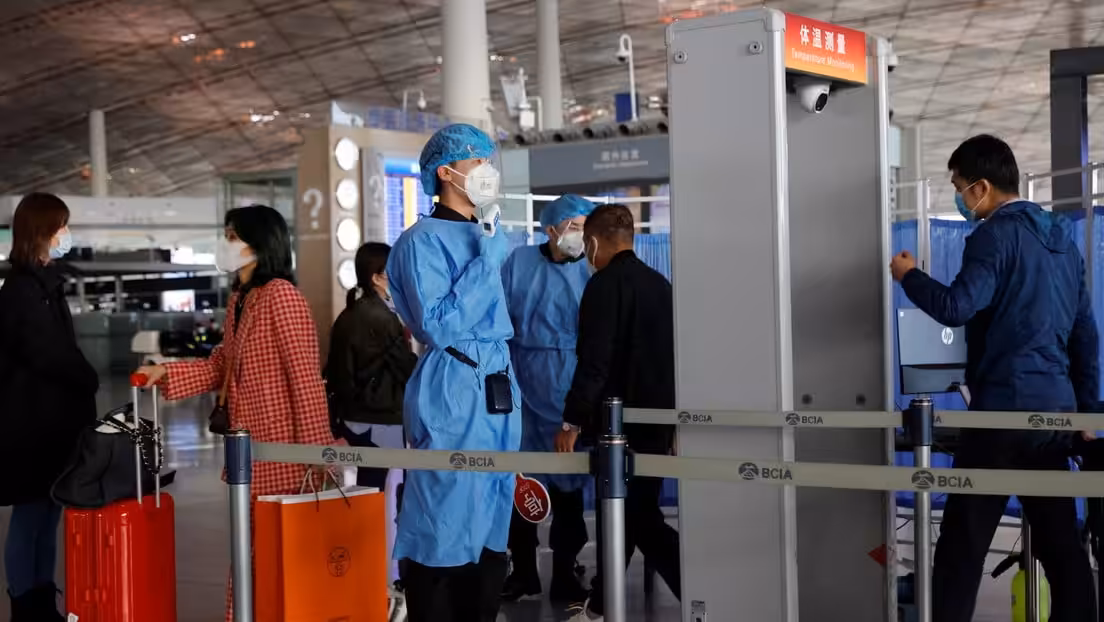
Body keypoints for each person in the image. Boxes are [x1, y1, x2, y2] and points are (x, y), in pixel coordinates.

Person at [890, 134, 1098, 622]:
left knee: (961, 547)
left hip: (1003, 414)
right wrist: (1086, 413)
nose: (963, 201)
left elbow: (957, 307)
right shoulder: (1062, 241)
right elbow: (1085, 336)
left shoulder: (994, 235)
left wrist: (909, 276)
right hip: (1055, 417)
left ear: (982, 186)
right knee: (1062, 547)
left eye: (962, 188)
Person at [135, 204, 335, 622]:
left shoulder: (281, 296)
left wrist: (318, 459)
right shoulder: (243, 299)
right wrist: (165, 372)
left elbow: (305, 382)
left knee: (272, 557)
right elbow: (221, 365)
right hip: (248, 456)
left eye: (231, 236)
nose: (225, 244)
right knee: (250, 555)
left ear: (259, 245)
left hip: (283, 457)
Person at [386, 123, 521, 622]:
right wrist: (486, 261)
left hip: (499, 384)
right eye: (476, 162)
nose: (487, 172)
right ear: (446, 172)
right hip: (455, 382)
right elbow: (439, 324)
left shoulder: (488, 233)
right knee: (444, 510)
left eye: (489, 161)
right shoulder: (422, 240)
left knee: (494, 503)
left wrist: (489, 246)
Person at [557, 204, 681, 621]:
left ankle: (699, 590)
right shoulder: (661, 285)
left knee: (638, 518)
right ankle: (600, 604)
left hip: (619, 428)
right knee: (626, 516)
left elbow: (595, 361)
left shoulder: (603, 287)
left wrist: (572, 419)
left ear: (593, 242)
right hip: (659, 424)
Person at [0, 193, 97, 622]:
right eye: (61, 226)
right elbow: (46, 353)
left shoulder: (44, 283)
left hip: (52, 424)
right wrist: (87, 377)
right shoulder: (22, 288)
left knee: (48, 513)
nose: (65, 234)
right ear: (41, 231)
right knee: (31, 515)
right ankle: (26, 601)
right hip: (30, 426)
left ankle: (41, 598)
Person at [499, 194, 594, 603]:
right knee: (522, 484)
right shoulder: (518, 263)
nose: (580, 235)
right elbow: (499, 318)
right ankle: (523, 571)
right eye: (573, 226)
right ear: (551, 228)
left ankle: (565, 571)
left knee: (568, 489)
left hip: (571, 385)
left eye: (585, 227)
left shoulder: (591, 269)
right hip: (523, 383)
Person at [326, 241, 417, 584]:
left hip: (356, 418)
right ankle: (385, 571)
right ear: (379, 277)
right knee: (388, 495)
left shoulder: (351, 313)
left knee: (371, 491)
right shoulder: (381, 318)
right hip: (380, 418)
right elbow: (405, 369)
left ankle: (367, 570)